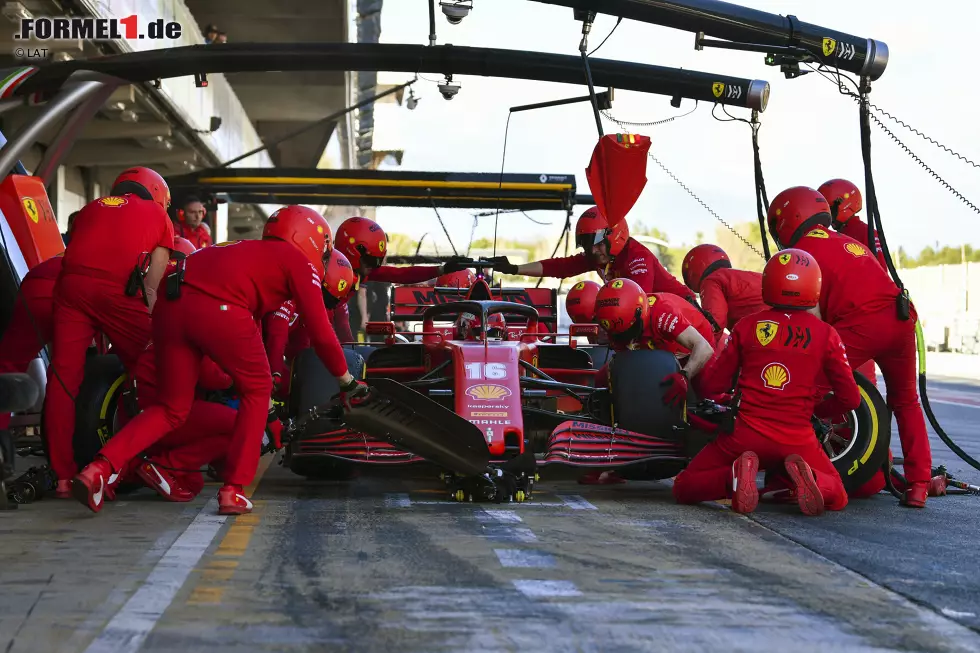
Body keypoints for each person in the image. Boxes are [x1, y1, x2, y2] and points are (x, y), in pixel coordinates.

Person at [72, 205, 367, 516]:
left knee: (172, 409)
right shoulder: (296, 261)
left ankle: (99, 468)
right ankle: (233, 490)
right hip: (217, 306)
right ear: (307, 238)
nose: (322, 261)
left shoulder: (239, 253)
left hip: (171, 303)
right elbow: (321, 332)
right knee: (256, 387)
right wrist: (346, 380)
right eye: (323, 253)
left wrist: (269, 414)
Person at [767, 186, 932, 507]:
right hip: (900, 317)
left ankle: (785, 474)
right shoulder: (849, 241)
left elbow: (808, 320)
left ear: (786, 219)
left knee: (802, 390)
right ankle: (918, 485)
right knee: (906, 400)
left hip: (863, 323)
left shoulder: (801, 254)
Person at [673, 248, 858, 516]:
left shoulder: (746, 326)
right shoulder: (826, 334)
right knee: (838, 496)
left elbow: (714, 385)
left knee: (684, 486)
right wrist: (818, 410)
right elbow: (850, 399)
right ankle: (806, 482)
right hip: (798, 437)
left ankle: (733, 480)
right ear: (813, 285)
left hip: (745, 435)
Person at [45, 167, 175, 495]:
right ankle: (149, 458)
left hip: (70, 287)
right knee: (157, 369)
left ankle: (61, 476)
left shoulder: (91, 208)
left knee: (62, 381)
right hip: (118, 293)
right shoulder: (160, 217)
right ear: (158, 195)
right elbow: (152, 287)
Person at [488, 206, 695, 301]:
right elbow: (559, 267)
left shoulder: (637, 257)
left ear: (614, 236)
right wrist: (513, 269)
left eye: (596, 243)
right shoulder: (600, 257)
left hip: (683, 314)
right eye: (587, 245)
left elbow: (640, 302)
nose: (593, 251)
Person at [593, 279, 715, 404]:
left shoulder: (662, 312)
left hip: (693, 346)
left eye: (628, 331)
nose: (627, 339)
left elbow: (704, 348)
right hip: (658, 347)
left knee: (706, 396)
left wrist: (685, 375)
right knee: (602, 379)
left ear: (640, 313)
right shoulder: (613, 323)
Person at [264, 249, 356, 394]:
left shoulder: (305, 310)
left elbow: (301, 348)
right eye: (326, 298)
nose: (324, 306)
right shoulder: (289, 295)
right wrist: (277, 374)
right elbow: (276, 335)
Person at [682, 244, 766, 343]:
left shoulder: (712, 281)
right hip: (780, 324)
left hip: (766, 331)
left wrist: (698, 346)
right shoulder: (735, 276)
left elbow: (715, 323)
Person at [818, 179, 888, 268]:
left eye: (830, 210)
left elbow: (881, 272)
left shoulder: (866, 232)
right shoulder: (836, 236)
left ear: (842, 204)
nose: (828, 216)